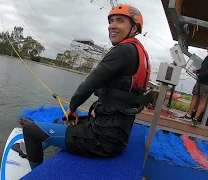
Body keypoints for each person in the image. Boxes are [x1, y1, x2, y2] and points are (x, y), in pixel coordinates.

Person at [21, 4, 151, 170]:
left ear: (133, 28)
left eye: (120, 21)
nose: (112, 25)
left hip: (103, 140)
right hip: (116, 134)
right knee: (62, 121)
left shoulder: (123, 51)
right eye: (111, 21)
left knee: (31, 130)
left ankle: (32, 166)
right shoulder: (138, 52)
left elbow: (89, 84)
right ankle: (34, 145)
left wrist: (72, 108)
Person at [182, 42, 208, 126]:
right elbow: (204, 68)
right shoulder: (207, 57)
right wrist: (198, 71)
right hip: (200, 81)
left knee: (203, 100)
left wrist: (202, 74)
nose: (207, 47)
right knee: (194, 96)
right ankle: (188, 116)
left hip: (207, 83)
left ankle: (195, 119)